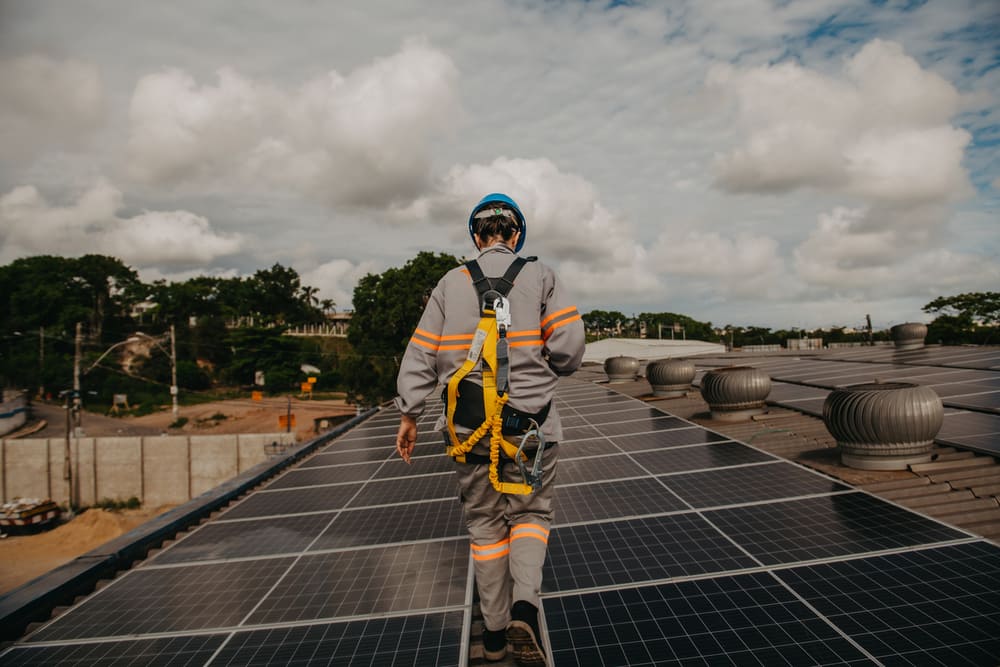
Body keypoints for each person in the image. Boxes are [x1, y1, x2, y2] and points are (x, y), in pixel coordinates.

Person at [395, 193, 585, 666]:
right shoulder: (541, 276)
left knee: (485, 526)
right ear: (516, 234)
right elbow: (569, 347)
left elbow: (419, 355)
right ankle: (526, 607)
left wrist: (409, 414)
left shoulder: (449, 283)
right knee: (529, 516)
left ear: (476, 237)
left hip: (468, 430)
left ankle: (495, 638)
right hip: (530, 428)